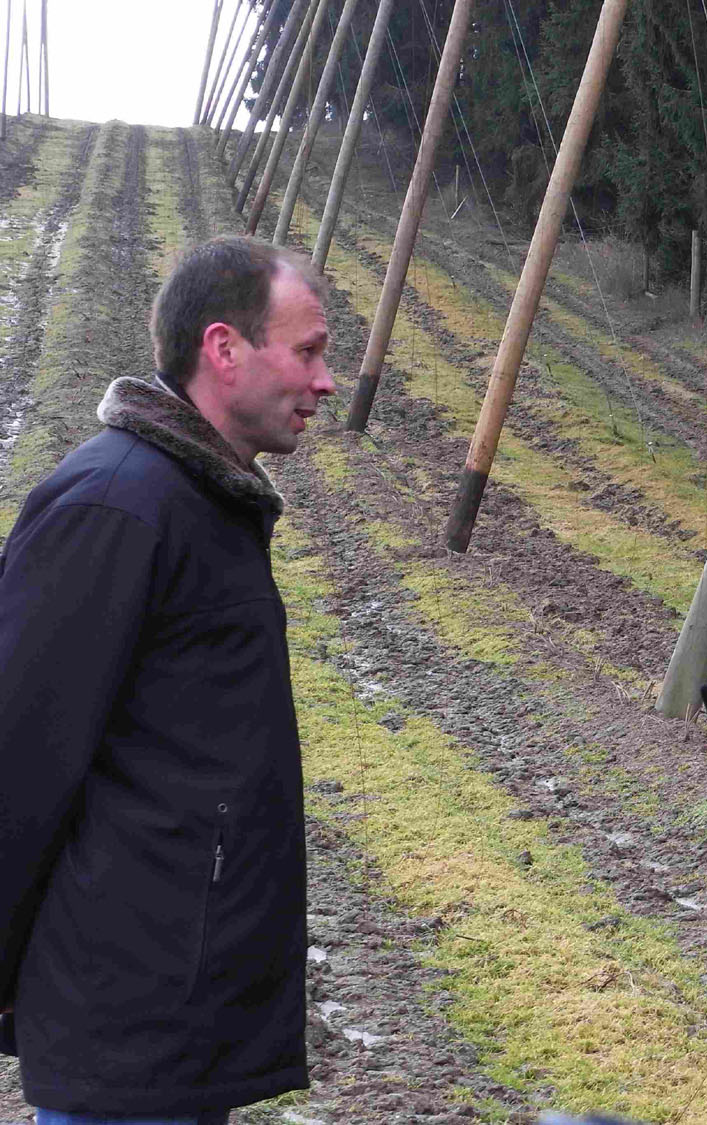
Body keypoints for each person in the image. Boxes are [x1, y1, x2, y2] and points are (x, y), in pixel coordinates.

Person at [0, 236, 335, 1124]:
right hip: (123, 1027)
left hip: (173, 1019)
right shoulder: (117, 504)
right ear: (224, 349)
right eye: (307, 350)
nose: (327, 381)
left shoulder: (205, 501)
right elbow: (19, 761)